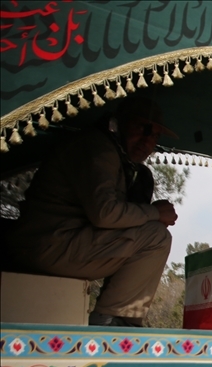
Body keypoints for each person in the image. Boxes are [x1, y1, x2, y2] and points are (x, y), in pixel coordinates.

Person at [5, 98, 177, 326]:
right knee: (156, 237)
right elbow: (104, 213)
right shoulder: (98, 148)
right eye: (141, 129)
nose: (147, 141)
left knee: (150, 231)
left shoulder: (125, 164)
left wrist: (148, 214)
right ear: (120, 123)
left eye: (154, 135)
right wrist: (153, 212)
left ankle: (115, 318)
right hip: (51, 244)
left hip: (58, 244)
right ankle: (113, 321)